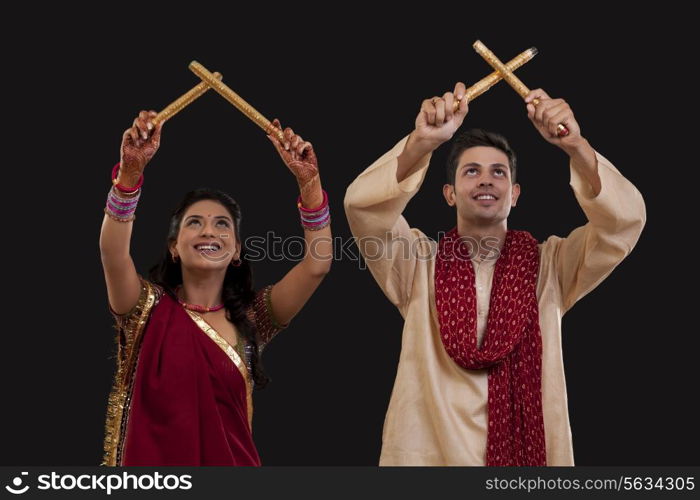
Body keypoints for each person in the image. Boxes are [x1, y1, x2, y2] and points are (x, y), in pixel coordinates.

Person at [343, 83, 646, 466]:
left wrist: (576, 146)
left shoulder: (552, 266)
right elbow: (362, 208)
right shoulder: (416, 263)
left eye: (498, 173)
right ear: (449, 193)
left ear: (515, 193)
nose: (486, 180)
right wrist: (423, 141)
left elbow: (624, 223)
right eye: (472, 172)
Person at [100, 111, 332, 466]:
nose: (209, 231)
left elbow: (317, 265)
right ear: (174, 247)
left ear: (236, 250)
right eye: (195, 223)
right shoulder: (144, 310)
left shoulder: (251, 320)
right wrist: (129, 176)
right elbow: (113, 253)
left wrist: (310, 187)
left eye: (222, 225)